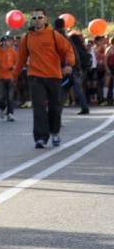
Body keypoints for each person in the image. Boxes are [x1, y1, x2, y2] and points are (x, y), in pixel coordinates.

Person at [15, 8, 75, 148]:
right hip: (35, 77)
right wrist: (14, 76)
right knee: (39, 107)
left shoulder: (54, 35)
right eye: (34, 18)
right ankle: (40, 138)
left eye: (39, 17)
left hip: (54, 76)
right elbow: (21, 59)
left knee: (54, 107)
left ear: (45, 19)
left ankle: (54, 132)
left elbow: (68, 50)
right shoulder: (27, 37)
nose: (37, 20)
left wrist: (69, 64)